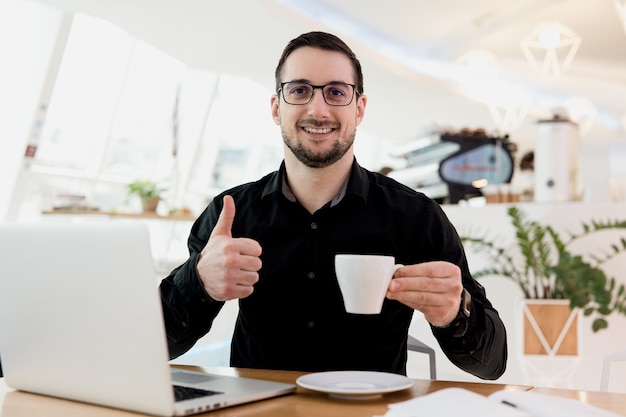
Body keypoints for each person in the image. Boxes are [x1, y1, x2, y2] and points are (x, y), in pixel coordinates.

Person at [160, 31, 507, 379]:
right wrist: (199, 282)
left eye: (336, 92)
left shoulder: (415, 216)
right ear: (276, 108)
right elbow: (158, 344)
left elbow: (492, 364)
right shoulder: (231, 213)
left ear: (359, 109)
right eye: (299, 90)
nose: (318, 109)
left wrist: (455, 311)